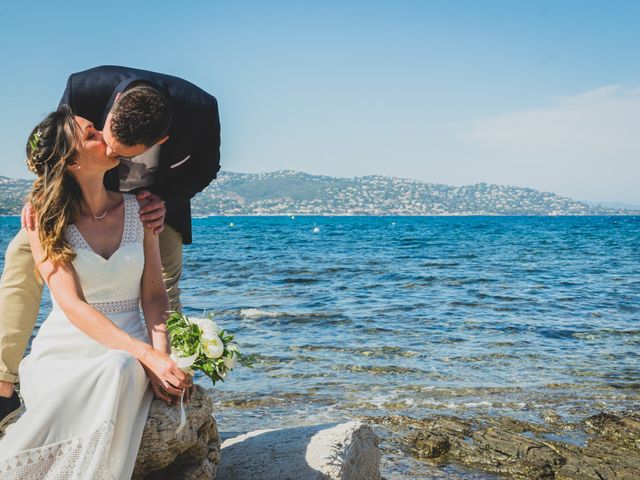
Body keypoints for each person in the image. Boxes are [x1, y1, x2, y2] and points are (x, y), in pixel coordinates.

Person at [0, 65, 221, 430]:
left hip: (153, 205)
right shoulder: (83, 88)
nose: (109, 150)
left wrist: (161, 200)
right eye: (105, 139)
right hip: (75, 198)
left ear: (160, 141)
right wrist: (39, 194)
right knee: (21, 257)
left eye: (121, 152)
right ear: (113, 106)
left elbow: (205, 167)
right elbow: (54, 144)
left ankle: (171, 375)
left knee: (165, 283)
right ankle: (4, 382)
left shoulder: (202, 111)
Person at [0, 107, 191, 477]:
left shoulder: (141, 211)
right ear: (71, 161)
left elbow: (154, 297)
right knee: (118, 365)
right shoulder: (46, 221)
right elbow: (71, 304)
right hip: (65, 352)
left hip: (130, 350)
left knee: (119, 366)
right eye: (91, 135)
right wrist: (146, 357)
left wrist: (161, 357)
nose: (106, 135)